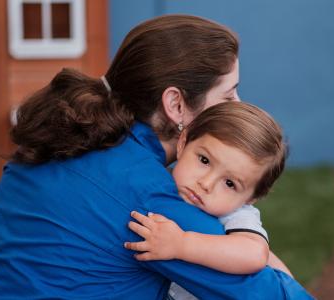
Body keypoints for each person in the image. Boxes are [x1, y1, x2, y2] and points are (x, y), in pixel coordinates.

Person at [0, 15, 312, 299]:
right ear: (176, 105)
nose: (237, 106)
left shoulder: (63, 137)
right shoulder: (148, 197)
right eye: (229, 94)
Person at [123, 101, 293, 299]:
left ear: (251, 198)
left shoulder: (238, 215)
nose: (206, 183)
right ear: (183, 142)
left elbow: (254, 254)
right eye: (204, 160)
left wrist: (182, 244)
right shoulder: (158, 179)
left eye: (230, 183)